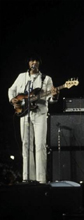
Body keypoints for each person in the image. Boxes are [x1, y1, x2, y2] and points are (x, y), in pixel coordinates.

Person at [8, 54, 59, 183]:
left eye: (35, 60)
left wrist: (54, 96)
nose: (33, 63)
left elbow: (50, 98)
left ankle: (41, 179)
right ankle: (27, 177)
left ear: (39, 63)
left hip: (40, 114)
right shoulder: (21, 77)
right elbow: (11, 89)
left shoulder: (46, 79)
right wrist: (13, 100)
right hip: (24, 114)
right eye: (31, 60)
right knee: (26, 145)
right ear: (28, 63)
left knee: (40, 145)